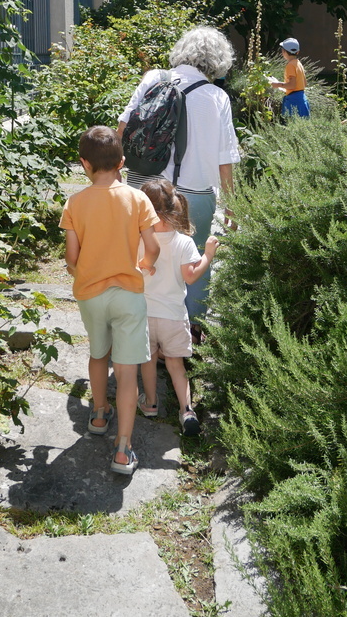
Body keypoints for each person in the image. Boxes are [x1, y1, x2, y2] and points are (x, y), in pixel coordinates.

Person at [118, 27, 240, 343]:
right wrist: (232, 204)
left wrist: (117, 176)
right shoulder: (217, 97)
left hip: (145, 186)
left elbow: (123, 127)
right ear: (219, 62)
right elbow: (225, 158)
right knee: (195, 254)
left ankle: (140, 321)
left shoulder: (153, 79)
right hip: (194, 193)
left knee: (142, 251)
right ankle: (191, 329)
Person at [59, 126, 160, 475]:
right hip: (129, 295)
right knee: (128, 373)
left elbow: (71, 257)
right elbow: (154, 247)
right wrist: (144, 266)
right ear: (121, 162)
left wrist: (84, 270)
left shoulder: (74, 203)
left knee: (98, 355)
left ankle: (99, 414)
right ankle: (122, 449)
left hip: (91, 294)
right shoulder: (137, 199)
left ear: (84, 163)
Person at [136, 178, 219, 437]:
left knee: (147, 362)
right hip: (173, 316)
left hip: (144, 315)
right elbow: (191, 276)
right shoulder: (182, 242)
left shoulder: (136, 239)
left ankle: (150, 403)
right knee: (175, 364)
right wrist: (208, 255)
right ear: (175, 209)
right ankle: (187, 410)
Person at [271, 37, 310, 119]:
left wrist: (277, 84)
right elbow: (304, 83)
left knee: (291, 126)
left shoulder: (290, 65)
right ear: (297, 52)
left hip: (294, 101)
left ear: (284, 51)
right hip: (302, 99)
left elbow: (292, 85)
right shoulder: (298, 63)